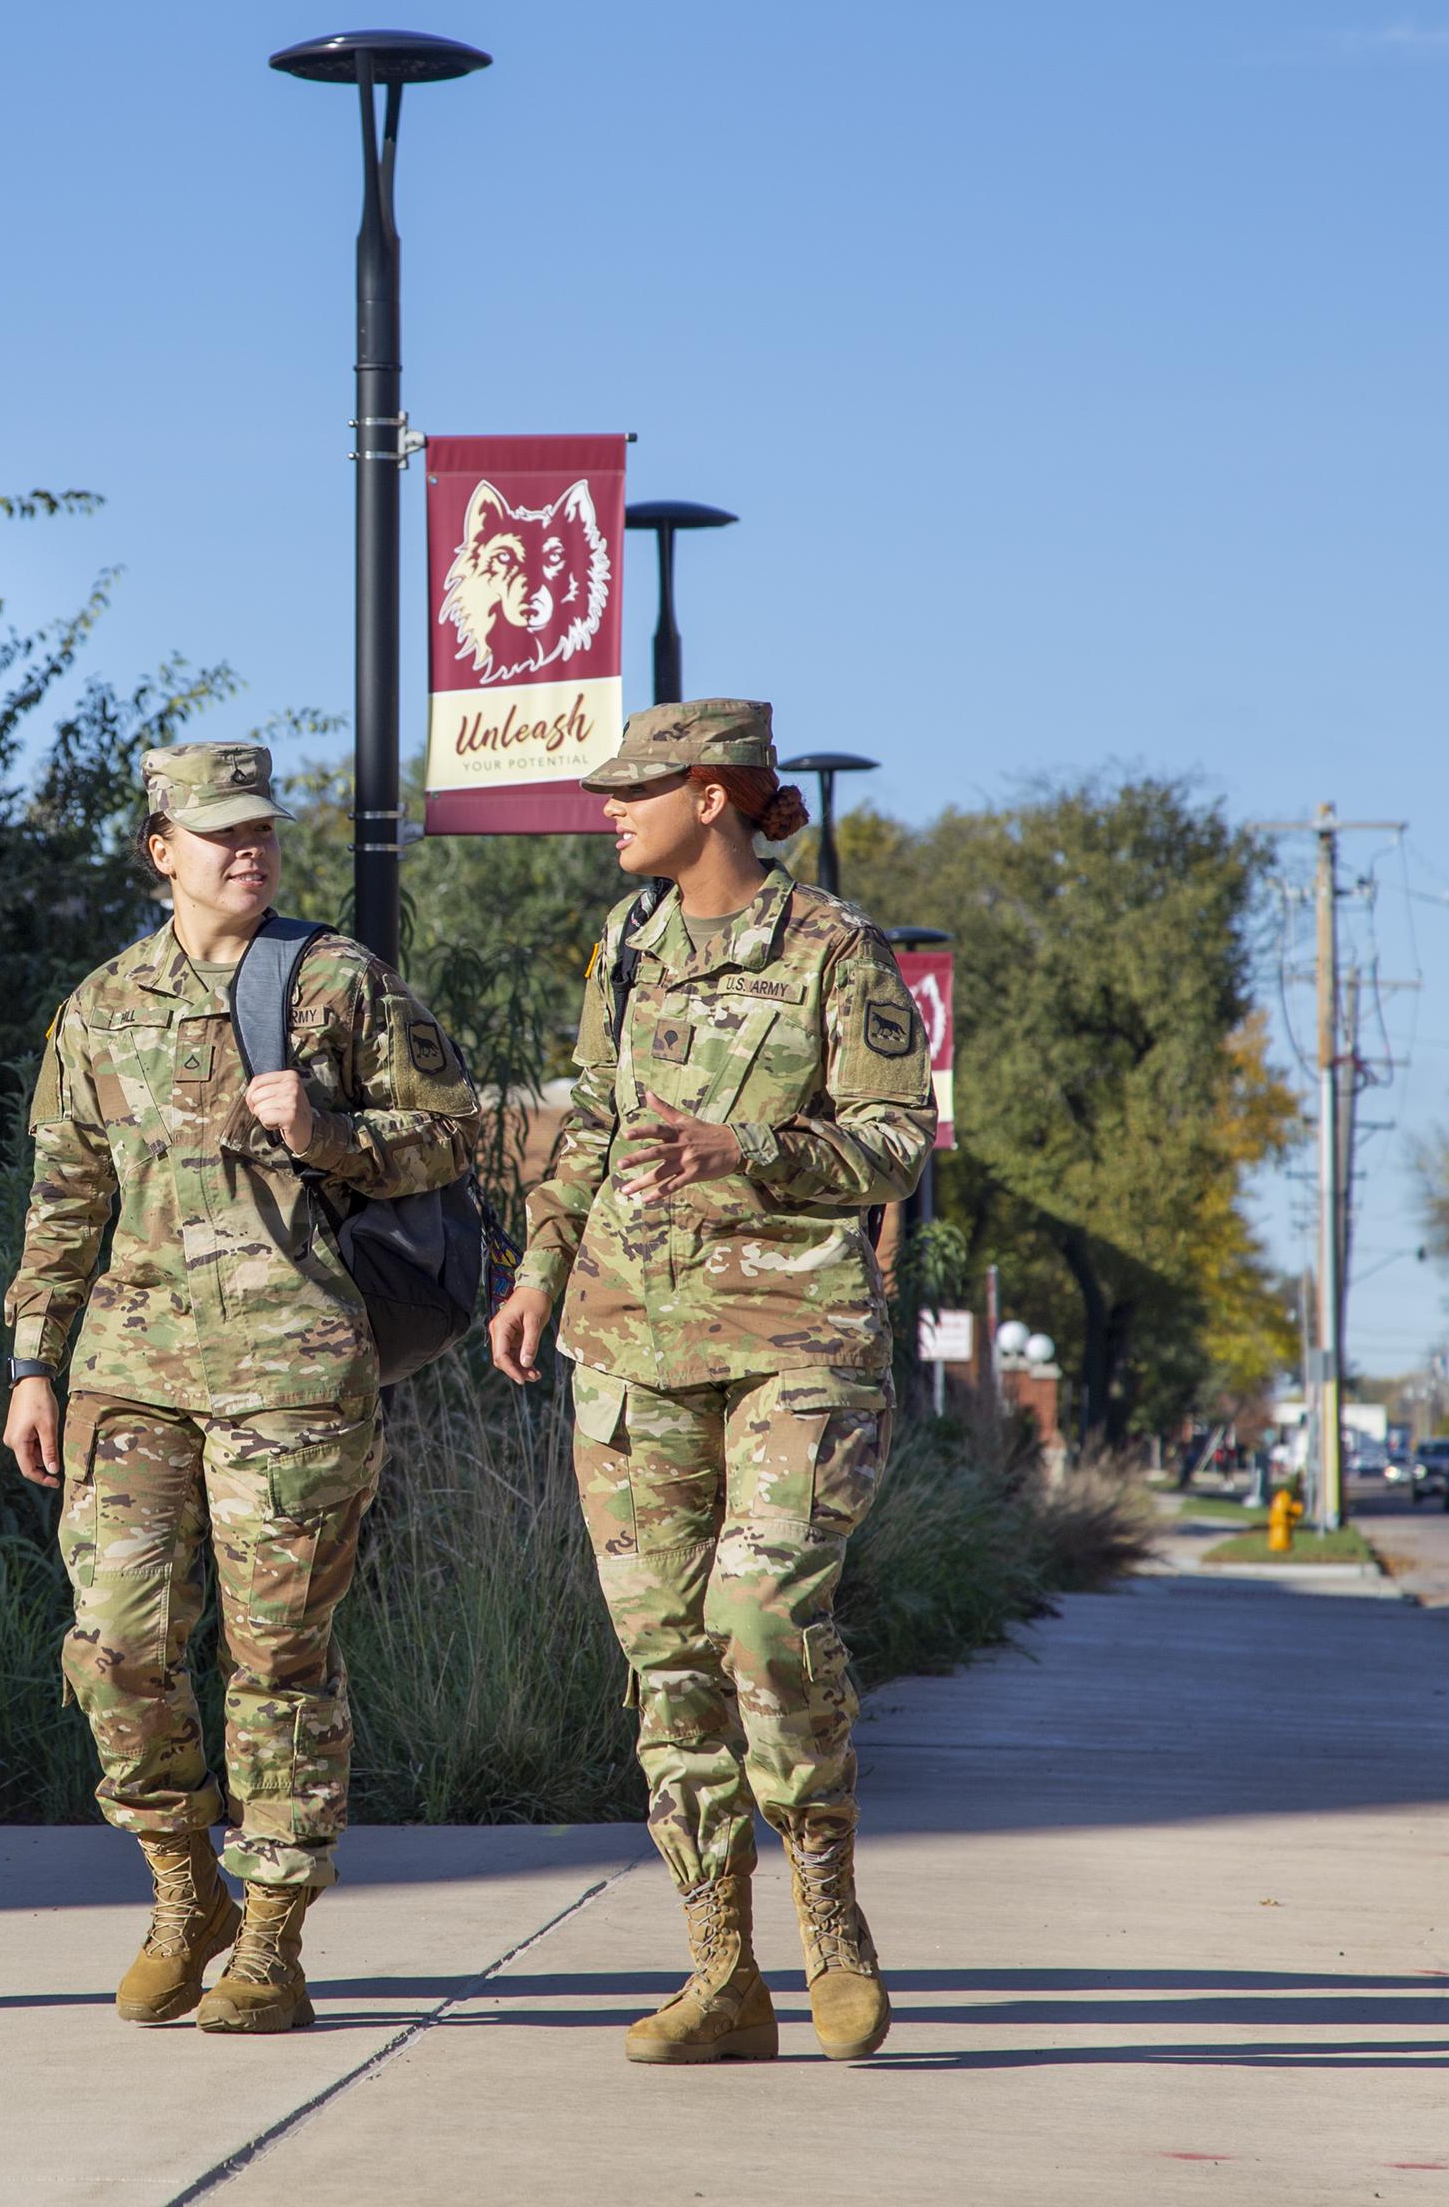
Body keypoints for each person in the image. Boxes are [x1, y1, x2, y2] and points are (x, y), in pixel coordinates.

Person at [0, 741, 485, 2035]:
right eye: (217, 834)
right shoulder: (100, 1006)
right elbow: (64, 1202)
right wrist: (32, 1363)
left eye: (261, 828)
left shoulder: (336, 981)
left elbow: (457, 1132)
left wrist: (330, 1136)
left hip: (293, 1372)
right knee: (115, 1648)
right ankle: (181, 1887)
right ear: (161, 850)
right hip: (128, 1371)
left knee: (279, 1656)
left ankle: (271, 1931)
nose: (247, 849)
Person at [487, 700, 932, 2067]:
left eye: (634, 791)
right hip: (629, 1347)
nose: (608, 812)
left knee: (760, 1617)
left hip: (796, 1344)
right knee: (667, 1661)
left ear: (715, 795)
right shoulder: (623, 946)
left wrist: (747, 1149)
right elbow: (586, 1122)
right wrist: (541, 1268)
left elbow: (899, 1139)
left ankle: (831, 1924)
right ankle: (722, 1972)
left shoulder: (834, 949)